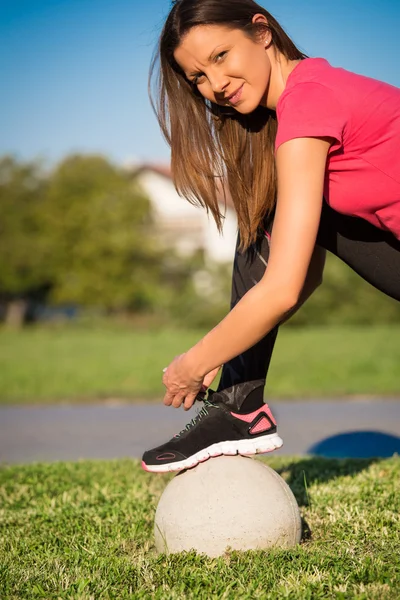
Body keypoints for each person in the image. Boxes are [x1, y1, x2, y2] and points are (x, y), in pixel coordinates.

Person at [141, 0, 400, 473]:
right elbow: (301, 280)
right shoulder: (302, 100)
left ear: (261, 32)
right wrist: (232, 342)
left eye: (220, 56)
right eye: (197, 77)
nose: (215, 85)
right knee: (266, 214)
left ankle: (237, 411)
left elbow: (281, 289)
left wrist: (195, 363)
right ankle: (238, 410)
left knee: (268, 214)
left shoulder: (309, 101)